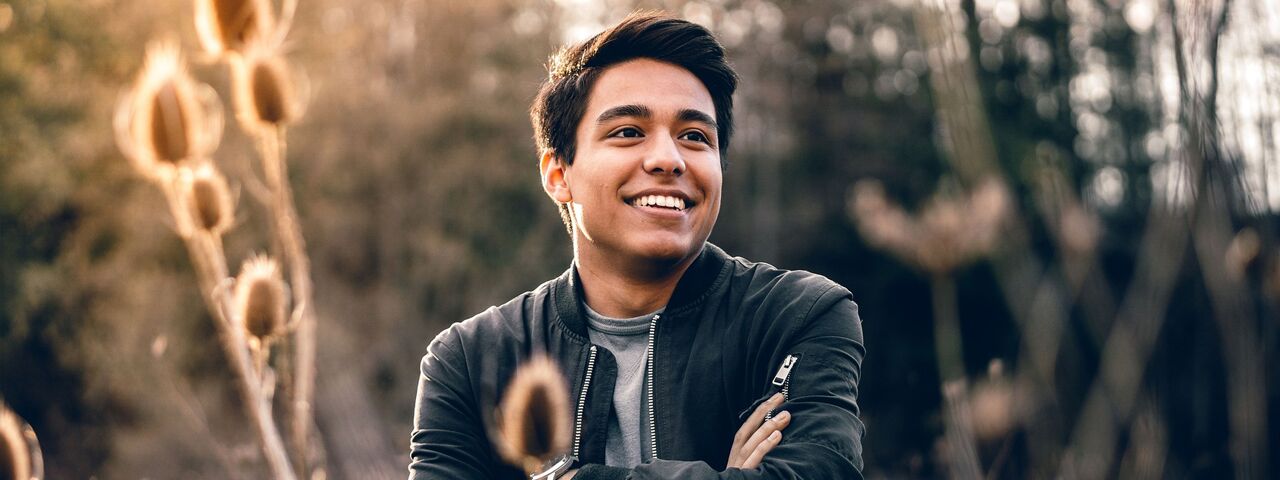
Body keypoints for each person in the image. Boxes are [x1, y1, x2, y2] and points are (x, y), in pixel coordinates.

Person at [409, 11, 866, 479]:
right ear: (557, 174)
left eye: (694, 137)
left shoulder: (796, 316)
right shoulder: (471, 359)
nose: (668, 158)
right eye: (628, 132)